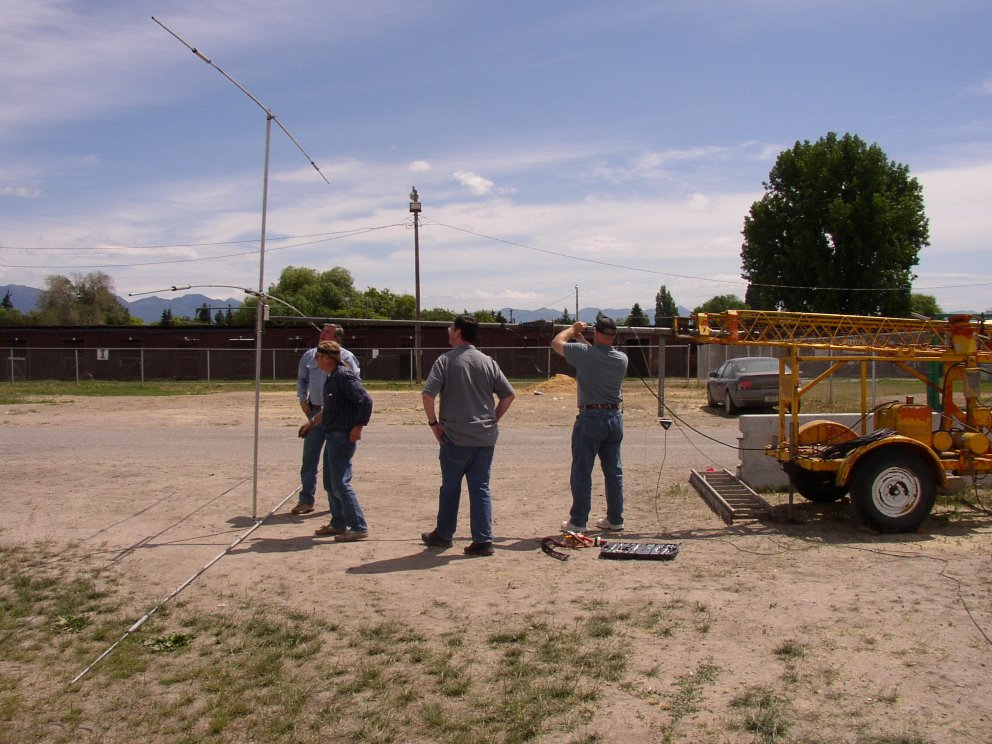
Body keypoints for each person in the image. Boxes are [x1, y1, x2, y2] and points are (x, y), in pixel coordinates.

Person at [421, 315, 515, 557]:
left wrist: (434, 424)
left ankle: (443, 535)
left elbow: (427, 395)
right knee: (480, 487)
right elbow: (508, 395)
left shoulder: (445, 361)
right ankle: (483, 540)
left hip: (455, 437)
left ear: (459, 332)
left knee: (451, 487)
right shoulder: (488, 361)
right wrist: (492, 419)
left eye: (451, 328)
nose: (449, 331)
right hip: (485, 437)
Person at [550, 316, 628, 533]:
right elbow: (596, 354)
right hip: (614, 418)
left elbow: (556, 343)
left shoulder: (586, 355)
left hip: (590, 418)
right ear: (613, 336)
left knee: (582, 470)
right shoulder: (621, 358)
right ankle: (615, 518)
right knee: (614, 471)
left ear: (597, 333)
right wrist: (582, 338)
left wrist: (572, 330)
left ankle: (578, 521)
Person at [298, 340, 372, 541]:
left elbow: (365, 401)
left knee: (340, 481)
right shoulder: (332, 378)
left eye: (318, 357)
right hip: (333, 434)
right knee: (330, 482)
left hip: (342, 435)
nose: (315, 362)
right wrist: (311, 423)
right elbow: (329, 409)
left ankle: (358, 526)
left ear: (326, 358)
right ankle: (338, 523)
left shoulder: (343, 376)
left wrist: (358, 427)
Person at [292, 324, 361, 515]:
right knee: (309, 458)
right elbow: (302, 379)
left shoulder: (346, 358)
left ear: (337, 339)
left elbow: (356, 390)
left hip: (337, 416)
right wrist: (301, 398)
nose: (322, 334)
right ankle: (306, 500)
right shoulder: (309, 356)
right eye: (322, 331)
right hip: (315, 411)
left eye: (327, 332)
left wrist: (356, 423)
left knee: (333, 463)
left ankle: (338, 503)